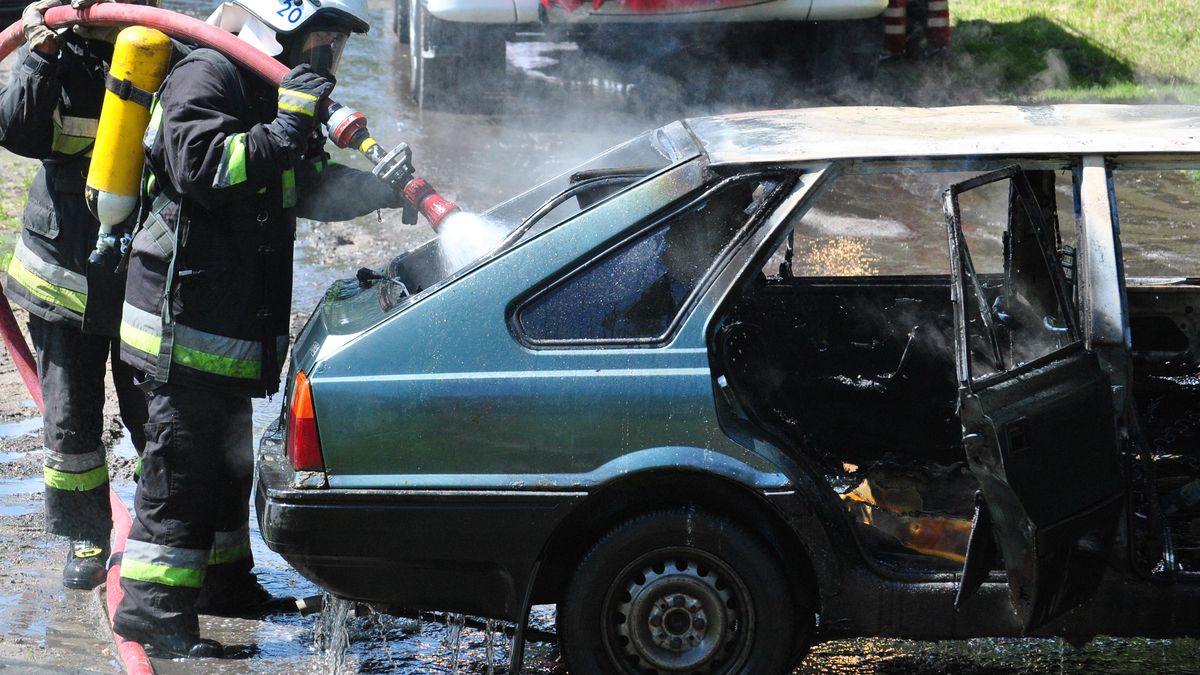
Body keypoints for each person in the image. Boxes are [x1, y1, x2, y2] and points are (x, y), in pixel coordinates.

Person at [111, 0, 404, 657]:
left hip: (223, 331)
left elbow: (303, 184)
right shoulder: (207, 77)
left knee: (225, 473)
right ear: (281, 29)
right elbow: (205, 170)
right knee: (179, 479)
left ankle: (225, 589)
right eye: (321, 41)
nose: (327, 58)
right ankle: (154, 616)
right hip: (180, 331)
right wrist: (292, 120)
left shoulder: (269, 90)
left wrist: (384, 190)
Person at [0, 0, 151, 592]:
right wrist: (38, 57)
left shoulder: (165, 57)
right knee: (70, 424)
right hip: (63, 272)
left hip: (143, 274)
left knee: (154, 418)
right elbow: (17, 129)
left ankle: (157, 531)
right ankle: (87, 535)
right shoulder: (57, 57)